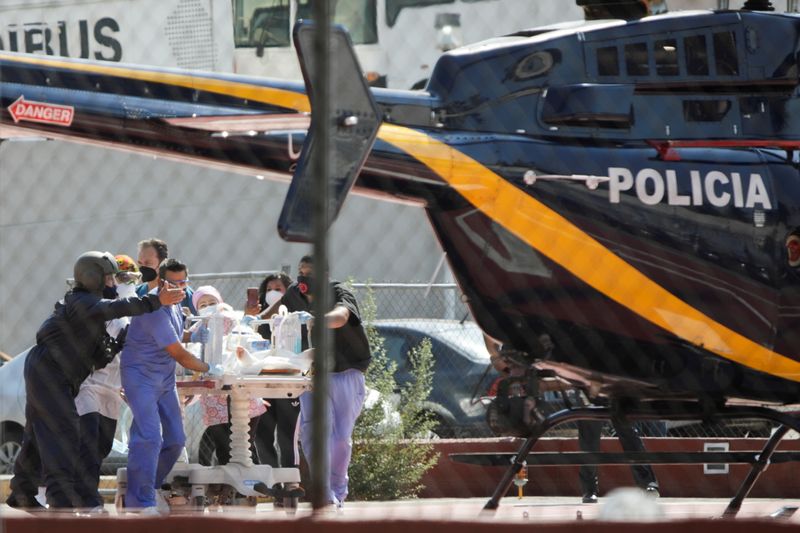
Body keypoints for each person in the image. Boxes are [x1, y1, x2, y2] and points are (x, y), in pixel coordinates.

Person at [6, 251, 184, 511]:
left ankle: (21, 492)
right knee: (63, 434)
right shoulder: (84, 301)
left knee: (37, 433)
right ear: (93, 278)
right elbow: (112, 308)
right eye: (110, 278)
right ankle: (61, 502)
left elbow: (110, 343)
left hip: (58, 375)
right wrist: (155, 301)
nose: (115, 283)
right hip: (49, 372)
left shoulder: (92, 307)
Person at [260, 255, 370, 508]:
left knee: (340, 437)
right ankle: (323, 490)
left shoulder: (339, 292)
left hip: (346, 373)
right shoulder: (294, 294)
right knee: (312, 432)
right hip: (311, 374)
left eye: (310, 273)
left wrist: (317, 320)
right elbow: (269, 315)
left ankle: (338, 486)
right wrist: (256, 316)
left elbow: (342, 316)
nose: (303, 278)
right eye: (301, 271)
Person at [120, 258, 214, 514]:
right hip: (140, 378)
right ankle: (140, 500)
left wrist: (191, 335)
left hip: (164, 378)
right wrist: (209, 368)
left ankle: (148, 487)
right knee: (149, 437)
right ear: (161, 282)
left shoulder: (173, 304)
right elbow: (180, 354)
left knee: (175, 439)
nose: (181, 288)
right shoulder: (152, 307)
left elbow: (173, 335)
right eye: (174, 283)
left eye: (184, 282)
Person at [73, 255, 141, 511]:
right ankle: (88, 499)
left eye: (129, 279)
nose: (121, 283)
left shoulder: (129, 313)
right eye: (117, 278)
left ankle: (81, 492)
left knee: (102, 446)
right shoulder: (96, 308)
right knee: (88, 443)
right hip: (88, 385)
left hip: (112, 389)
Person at [189, 285, 266, 465]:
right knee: (223, 444)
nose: (209, 306)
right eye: (203, 304)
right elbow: (190, 352)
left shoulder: (234, 320)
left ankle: (250, 486)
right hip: (214, 395)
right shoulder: (196, 328)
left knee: (246, 443)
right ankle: (228, 487)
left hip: (241, 387)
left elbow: (251, 342)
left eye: (212, 302)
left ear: (221, 302)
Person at [250, 272, 301, 471]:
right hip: (264, 383)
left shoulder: (296, 316)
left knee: (286, 437)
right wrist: (252, 316)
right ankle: (273, 483)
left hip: (289, 383)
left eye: (278, 289)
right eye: (269, 289)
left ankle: (290, 481)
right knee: (262, 437)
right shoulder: (259, 318)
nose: (273, 293)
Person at [578, 419, 660, 503]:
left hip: (617, 407)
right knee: (589, 431)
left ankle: (647, 483)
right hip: (593, 407)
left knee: (629, 431)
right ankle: (589, 489)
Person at [135, 238, 195, 314]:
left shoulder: (184, 294)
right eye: (140, 263)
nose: (142, 267)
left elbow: (201, 323)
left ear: (162, 263)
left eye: (148, 263)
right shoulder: (136, 293)